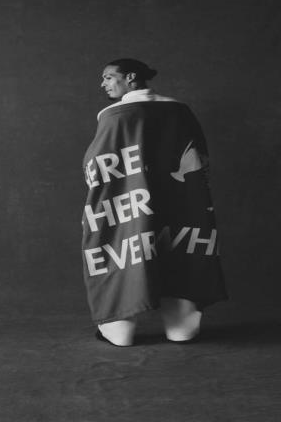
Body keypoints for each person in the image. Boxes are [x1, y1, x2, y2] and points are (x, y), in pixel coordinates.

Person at [81, 58, 227, 346]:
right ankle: (182, 327)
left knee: (122, 246)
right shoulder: (180, 110)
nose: (103, 84)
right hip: (183, 201)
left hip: (131, 203)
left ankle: (119, 329)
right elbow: (199, 157)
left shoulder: (114, 115)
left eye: (109, 77)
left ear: (130, 77)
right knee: (182, 248)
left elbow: (99, 165)